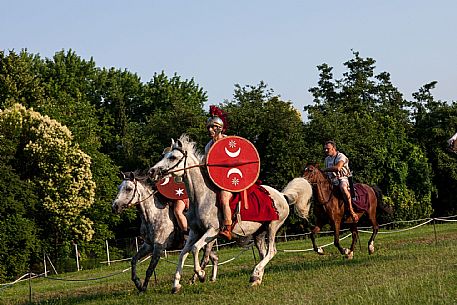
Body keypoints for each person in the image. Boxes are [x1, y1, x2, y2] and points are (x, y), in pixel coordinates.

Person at [205, 105, 233, 240]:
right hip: (214, 179)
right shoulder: (208, 146)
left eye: (212, 127)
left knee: (224, 198)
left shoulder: (228, 142)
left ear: (219, 128)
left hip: (229, 180)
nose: (210, 130)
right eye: (208, 128)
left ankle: (227, 228)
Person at [322, 140, 359, 222]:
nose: (326, 151)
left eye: (328, 149)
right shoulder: (327, 159)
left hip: (344, 178)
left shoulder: (341, 156)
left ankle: (351, 211)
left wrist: (324, 170)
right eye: (325, 149)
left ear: (334, 148)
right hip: (332, 180)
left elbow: (338, 167)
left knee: (343, 187)